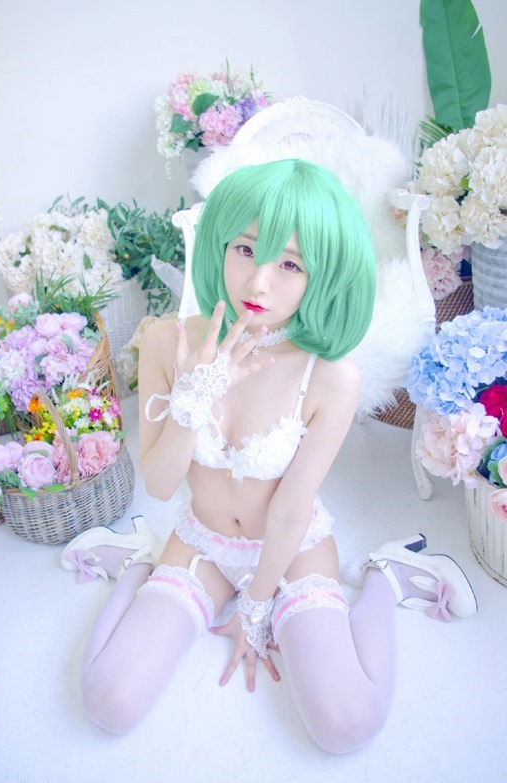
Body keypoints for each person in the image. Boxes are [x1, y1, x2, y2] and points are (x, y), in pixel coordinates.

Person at [61, 159, 477, 753]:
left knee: (347, 725)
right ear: (221, 246)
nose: (258, 283)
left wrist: (257, 606)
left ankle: (388, 576)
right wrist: (193, 399)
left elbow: (289, 510)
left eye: (289, 264)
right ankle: (137, 560)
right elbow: (160, 484)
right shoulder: (167, 342)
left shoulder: (331, 377)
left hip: (293, 549)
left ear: (321, 275)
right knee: (109, 702)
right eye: (245, 249)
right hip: (200, 541)